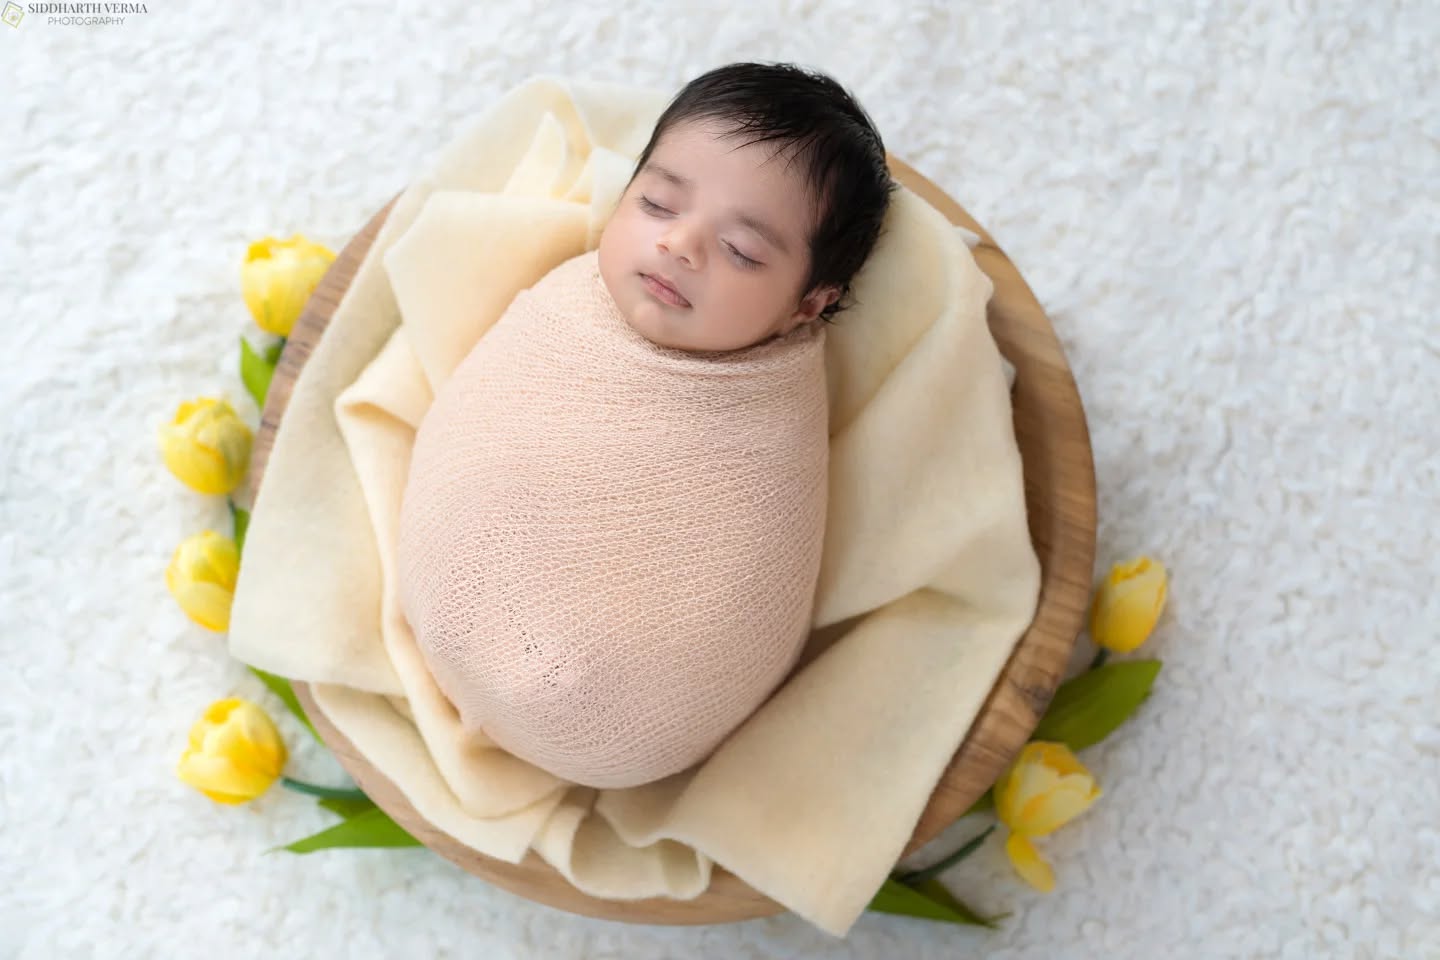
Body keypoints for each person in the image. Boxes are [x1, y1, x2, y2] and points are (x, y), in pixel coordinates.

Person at [598, 60, 897, 352]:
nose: (679, 244)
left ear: (806, 305)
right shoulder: (569, 247)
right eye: (658, 204)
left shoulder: (758, 396)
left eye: (739, 249)